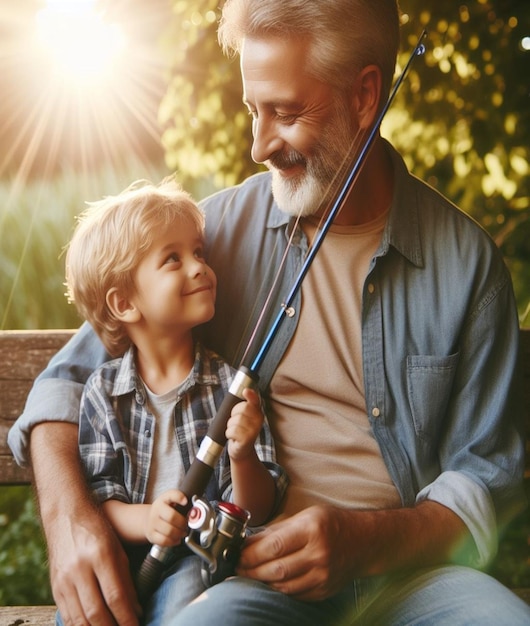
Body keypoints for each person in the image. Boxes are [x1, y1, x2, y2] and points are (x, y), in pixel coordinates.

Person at [8, 0, 530, 624]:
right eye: (254, 110)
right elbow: (63, 385)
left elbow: (483, 482)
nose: (257, 146)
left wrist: (365, 541)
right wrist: (72, 519)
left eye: (284, 112)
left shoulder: (469, 266)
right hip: (251, 580)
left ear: (367, 96)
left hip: (419, 583)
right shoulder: (214, 236)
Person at [57, 178, 287, 624]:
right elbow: (102, 501)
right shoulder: (103, 393)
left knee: (186, 599)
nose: (199, 267)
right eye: (173, 259)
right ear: (124, 303)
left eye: (199, 253)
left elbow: (258, 509)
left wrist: (241, 455)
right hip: (125, 561)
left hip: (194, 565)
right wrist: (148, 521)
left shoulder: (230, 386)